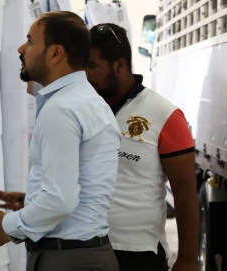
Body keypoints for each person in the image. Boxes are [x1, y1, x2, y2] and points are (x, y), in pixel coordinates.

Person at [0, 11, 121, 271]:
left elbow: (60, 201)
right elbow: (79, 185)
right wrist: (32, 200)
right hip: (86, 254)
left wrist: (6, 227)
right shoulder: (88, 102)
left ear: (55, 54)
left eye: (30, 41)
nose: (21, 49)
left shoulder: (62, 109)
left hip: (67, 260)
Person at [85, 23, 199, 271]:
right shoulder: (84, 108)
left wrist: (188, 259)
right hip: (84, 247)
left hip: (137, 252)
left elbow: (186, 193)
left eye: (92, 65)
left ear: (120, 66)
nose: (85, 74)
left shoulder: (164, 115)